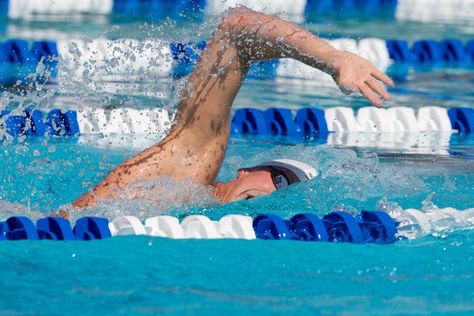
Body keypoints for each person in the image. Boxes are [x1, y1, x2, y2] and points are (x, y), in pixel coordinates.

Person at [72, 7, 393, 208]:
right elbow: (235, 28)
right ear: (246, 172)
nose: (276, 197)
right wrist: (331, 58)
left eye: (286, 198)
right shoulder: (192, 167)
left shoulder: (215, 220)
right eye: (281, 182)